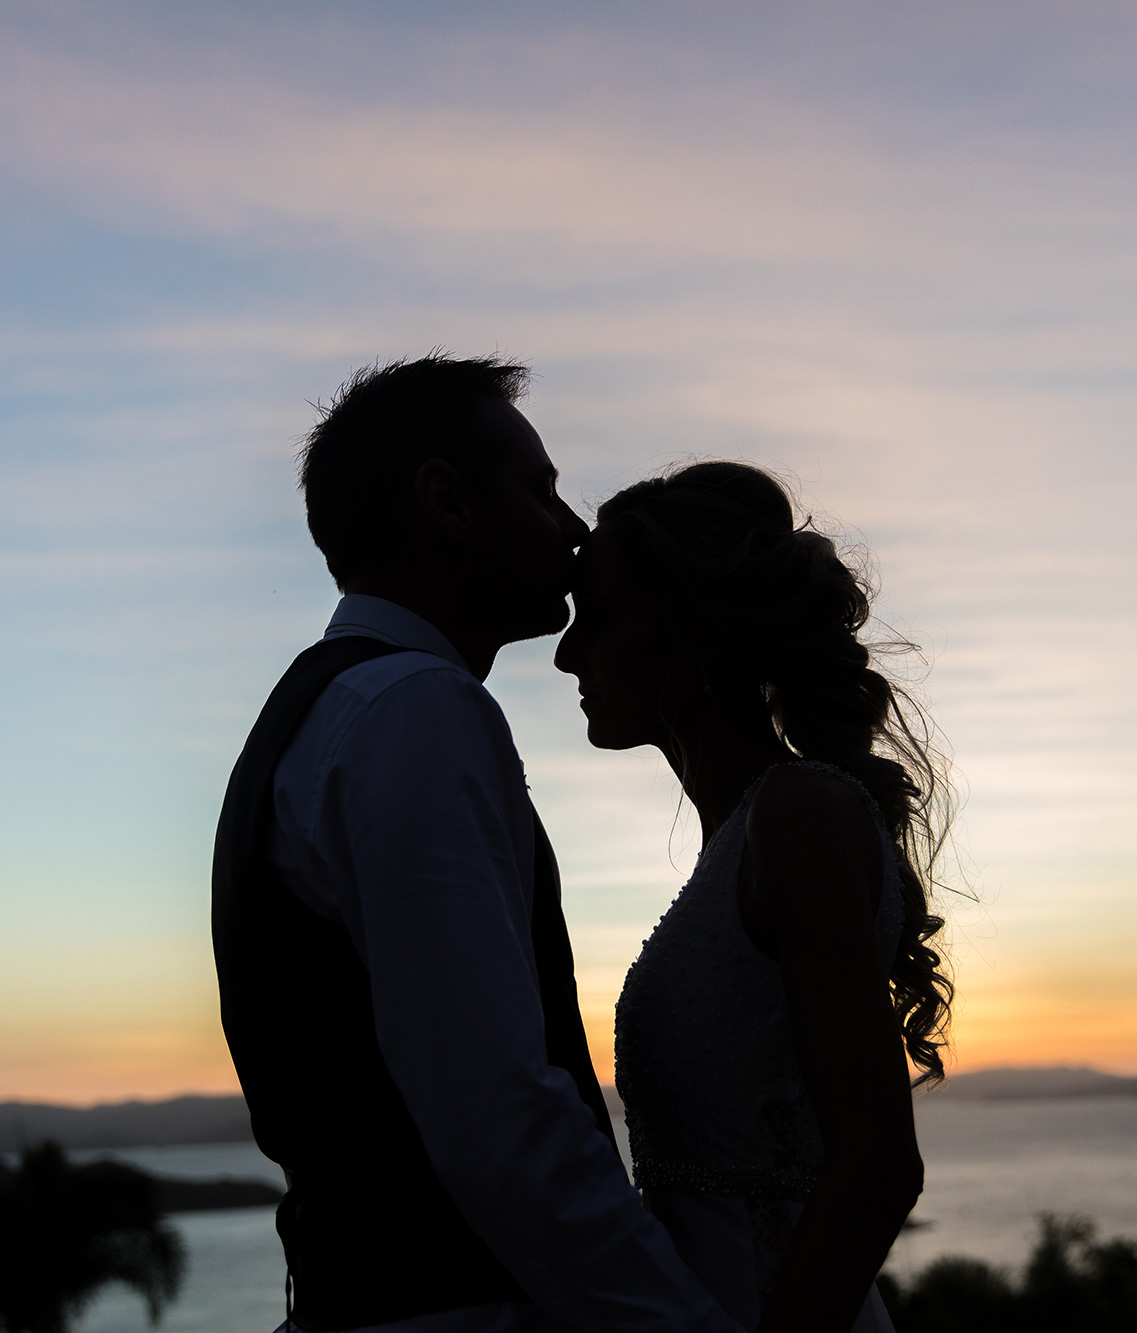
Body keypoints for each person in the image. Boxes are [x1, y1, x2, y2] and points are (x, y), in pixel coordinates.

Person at [212, 356, 738, 1333]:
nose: (573, 528)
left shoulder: (322, 712)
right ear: (446, 500)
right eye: (539, 490)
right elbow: (494, 1113)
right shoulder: (411, 709)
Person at [554, 462, 952, 1333]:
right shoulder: (746, 834)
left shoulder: (798, 814)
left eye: (600, 618)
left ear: (696, 631)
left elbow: (879, 1163)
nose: (564, 652)